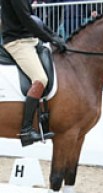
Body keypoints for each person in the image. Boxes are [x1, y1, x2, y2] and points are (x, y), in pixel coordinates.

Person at [1, 0, 66, 146]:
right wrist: (50, 38)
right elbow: (27, 20)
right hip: (17, 43)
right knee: (40, 79)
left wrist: (54, 36)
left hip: (31, 40)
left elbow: (35, 20)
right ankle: (26, 130)